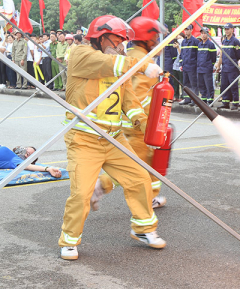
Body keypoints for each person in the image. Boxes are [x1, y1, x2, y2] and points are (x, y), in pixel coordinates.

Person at [59, 15, 165, 261]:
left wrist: (141, 121)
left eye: (124, 41)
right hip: (84, 140)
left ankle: (143, 229)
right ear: (100, 35)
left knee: (140, 179)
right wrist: (142, 65)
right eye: (117, 39)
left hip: (114, 139)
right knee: (81, 194)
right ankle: (69, 240)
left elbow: (129, 98)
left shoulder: (117, 63)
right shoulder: (81, 54)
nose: (121, 45)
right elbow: (110, 64)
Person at [92, 16, 169, 212]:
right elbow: (138, 93)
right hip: (140, 126)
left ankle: (151, 196)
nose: (158, 43)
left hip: (133, 123)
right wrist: (153, 118)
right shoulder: (143, 60)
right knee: (134, 165)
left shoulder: (131, 53)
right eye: (156, 38)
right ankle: (101, 186)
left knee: (148, 162)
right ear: (147, 38)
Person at [215, 23, 240, 110]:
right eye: (225, 29)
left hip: (232, 67)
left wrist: (233, 62)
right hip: (225, 67)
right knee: (224, 85)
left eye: (228, 29)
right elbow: (222, 55)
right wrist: (219, 66)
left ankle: (235, 103)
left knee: (233, 86)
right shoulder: (224, 41)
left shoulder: (235, 41)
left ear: (232, 29)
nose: (226, 31)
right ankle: (225, 102)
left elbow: (238, 55)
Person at [178, 24, 199, 106]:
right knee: (186, 84)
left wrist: (196, 65)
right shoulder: (183, 42)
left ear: (191, 30)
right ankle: (187, 99)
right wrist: (181, 64)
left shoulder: (195, 41)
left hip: (192, 67)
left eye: (188, 30)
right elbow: (181, 55)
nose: (186, 31)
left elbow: (198, 55)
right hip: (185, 66)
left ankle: (194, 100)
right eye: (185, 30)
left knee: (194, 84)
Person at [196, 27, 216, 104]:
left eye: (205, 33)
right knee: (201, 84)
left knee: (209, 85)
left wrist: (210, 65)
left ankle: (210, 99)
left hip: (207, 68)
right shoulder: (199, 44)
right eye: (202, 33)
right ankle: (203, 98)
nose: (203, 35)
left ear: (208, 34)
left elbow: (213, 58)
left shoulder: (211, 45)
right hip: (200, 68)